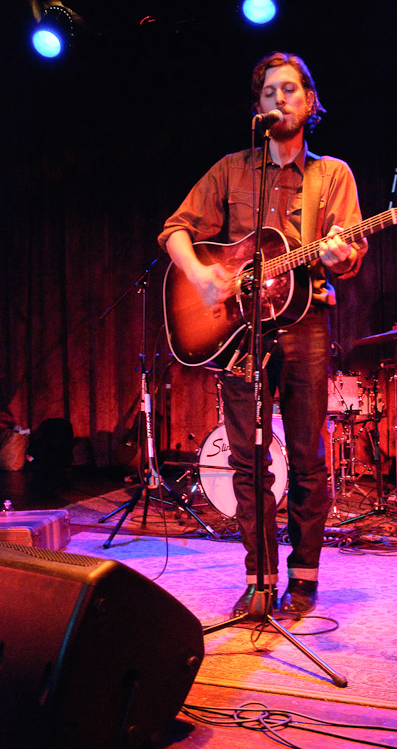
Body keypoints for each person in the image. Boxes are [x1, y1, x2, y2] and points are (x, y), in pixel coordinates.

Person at [158, 51, 368, 616]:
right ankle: (258, 577)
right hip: (239, 334)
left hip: (305, 327)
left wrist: (341, 252)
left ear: (310, 101)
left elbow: (350, 252)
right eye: (271, 91)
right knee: (249, 459)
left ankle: (303, 573)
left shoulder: (332, 175)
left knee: (305, 456)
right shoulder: (233, 170)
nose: (281, 99)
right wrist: (202, 276)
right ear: (258, 106)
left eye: (291, 90)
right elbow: (175, 230)